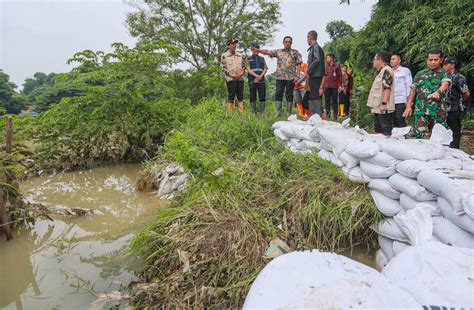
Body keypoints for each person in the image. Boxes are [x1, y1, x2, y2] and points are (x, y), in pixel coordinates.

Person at [403, 49, 451, 139]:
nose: (433, 62)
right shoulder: (420, 74)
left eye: (436, 60)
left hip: (437, 111)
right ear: (427, 60)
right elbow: (413, 90)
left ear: (441, 60)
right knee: (420, 135)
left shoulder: (445, 73)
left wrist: (437, 92)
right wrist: (408, 106)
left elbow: (445, 84)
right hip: (421, 110)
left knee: (438, 136)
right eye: (430, 60)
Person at [255, 36, 303, 117]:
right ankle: (278, 112)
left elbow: (299, 64)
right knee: (278, 94)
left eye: (289, 42)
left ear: (291, 43)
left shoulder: (295, 52)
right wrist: (259, 50)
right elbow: (268, 52)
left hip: (291, 77)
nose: (287, 43)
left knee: (289, 95)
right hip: (280, 77)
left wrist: (297, 76)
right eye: (286, 41)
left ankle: (288, 113)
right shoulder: (279, 51)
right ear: (283, 43)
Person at [443, 56, 470, 149]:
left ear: (452, 65)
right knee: (448, 127)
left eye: (446, 64)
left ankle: (455, 147)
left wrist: (460, 101)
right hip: (447, 107)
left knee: (455, 129)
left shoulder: (459, 77)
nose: (444, 66)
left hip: (456, 107)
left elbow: (466, 93)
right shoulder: (447, 76)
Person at [367, 50, 395, 136]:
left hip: (383, 106)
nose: (373, 61)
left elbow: (387, 88)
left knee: (385, 128)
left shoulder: (387, 70)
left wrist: (384, 103)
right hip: (378, 105)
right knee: (378, 128)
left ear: (379, 60)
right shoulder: (382, 71)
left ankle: (388, 146)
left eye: (374, 59)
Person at [220, 38, 246, 113]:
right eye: (232, 44)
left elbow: (245, 65)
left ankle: (242, 114)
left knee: (240, 97)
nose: (234, 45)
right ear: (228, 45)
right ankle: (230, 114)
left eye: (235, 44)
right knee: (231, 96)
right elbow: (223, 68)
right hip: (231, 79)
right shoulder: (224, 55)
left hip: (240, 78)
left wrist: (242, 73)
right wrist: (231, 75)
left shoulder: (240, 55)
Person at [304, 30, 325, 117]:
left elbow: (317, 60)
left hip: (315, 76)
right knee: (312, 97)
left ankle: (317, 117)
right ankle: (313, 117)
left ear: (310, 37)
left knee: (315, 97)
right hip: (314, 76)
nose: (307, 40)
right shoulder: (314, 48)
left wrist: (308, 70)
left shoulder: (315, 47)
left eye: (307, 38)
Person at [390, 53, 412, 127]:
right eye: (391, 59)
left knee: (400, 118)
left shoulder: (405, 70)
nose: (391, 61)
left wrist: (408, 100)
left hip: (401, 99)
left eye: (393, 59)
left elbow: (409, 85)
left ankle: (404, 136)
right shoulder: (389, 71)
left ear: (399, 60)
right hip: (391, 99)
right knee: (393, 119)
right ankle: (396, 137)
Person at [246, 43, 268, 115]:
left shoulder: (262, 58)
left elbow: (265, 68)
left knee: (262, 96)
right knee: (253, 96)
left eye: (258, 49)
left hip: (261, 80)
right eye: (255, 49)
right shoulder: (248, 59)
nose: (257, 50)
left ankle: (262, 113)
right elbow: (248, 69)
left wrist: (260, 76)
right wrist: (256, 76)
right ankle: (254, 113)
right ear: (252, 49)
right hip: (252, 80)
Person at [322, 54, 342, 120]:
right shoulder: (326, 66)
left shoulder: (337, 66)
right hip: (326, 86)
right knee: (327, 101)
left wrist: (339, 85)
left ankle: (335, 116)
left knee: (334, 101)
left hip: (334, 86)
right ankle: (328, 115)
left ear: (331, 58)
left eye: (327, 58)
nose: (326, 59)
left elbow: (340, 76)